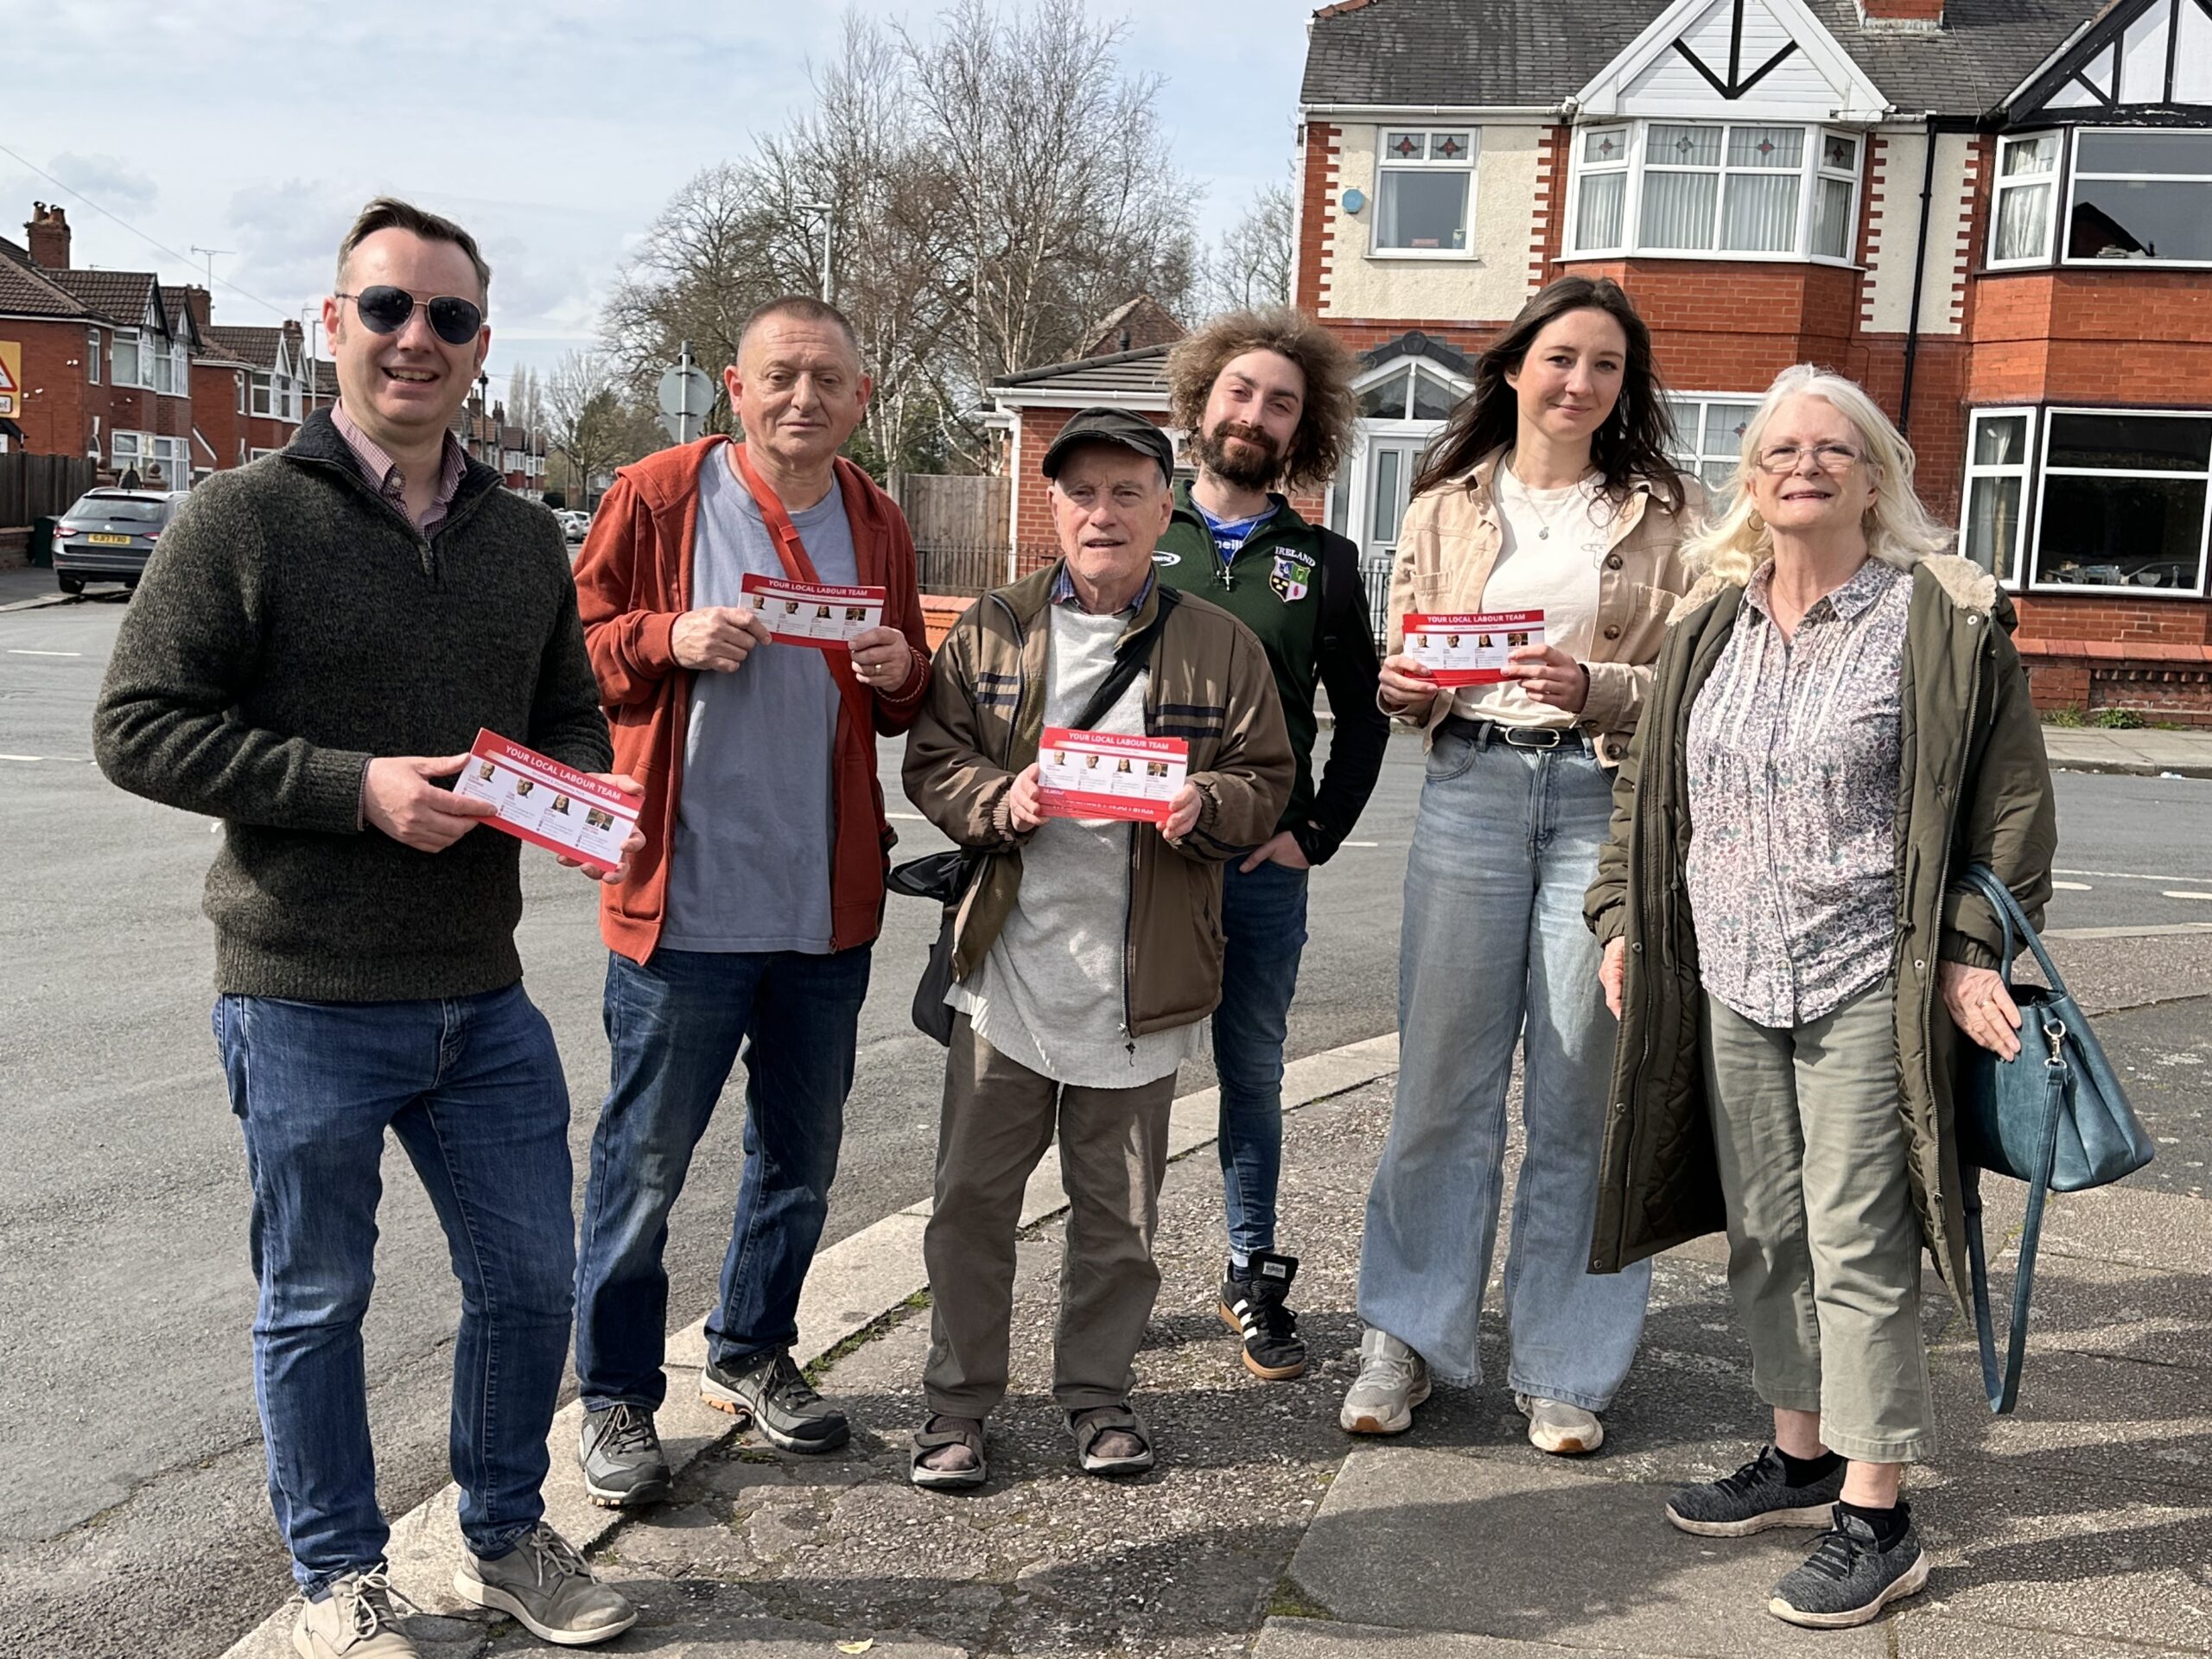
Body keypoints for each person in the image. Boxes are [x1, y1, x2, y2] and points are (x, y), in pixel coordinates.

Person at [92, 197, 637, 1656]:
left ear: (479, 348)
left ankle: (505, 1532)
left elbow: (567, 712)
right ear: (332, 324)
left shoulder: (527, 540)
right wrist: (356, 790)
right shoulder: (237, 518)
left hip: (481, 994)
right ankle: (339, 1572)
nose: (417, 340)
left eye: (448, 319)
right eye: (387, 309)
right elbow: (138, 728)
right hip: (302, 992)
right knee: (317, 1300)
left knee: (530, 1277)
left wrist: (581, 792)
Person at [1586, 365, 2056, 1629]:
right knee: (1767, 1232)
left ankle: (1878, 1514)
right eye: (1779, 446)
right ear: (1751, 480)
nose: (1803, 464)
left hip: (1866, 971)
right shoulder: (1709, 625)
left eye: (1833, 449)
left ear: (1877, 478)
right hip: (1729, 971)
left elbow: (2008, 802)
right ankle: (1799, 1457)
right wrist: (1624, 917)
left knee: (1858, 1240)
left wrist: (1967, 950)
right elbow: (1647, 792)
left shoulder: (1936, 621)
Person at [569, 296, 931, 1507]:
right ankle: (617, 1393)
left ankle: (752, 1347)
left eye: (828, 378)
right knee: (644, 1160)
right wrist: (667, 635)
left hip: (823, 903)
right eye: (781, 375)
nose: (803, 398)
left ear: (860, 398)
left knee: (802, 1155)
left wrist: (902, 672)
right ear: (735, 386)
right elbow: (567, 646)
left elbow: (899, 697)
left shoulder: (878, 520)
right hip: (683, 902)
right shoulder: (663, 494)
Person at [902, 406, 1293, 1487]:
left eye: (1127, 492)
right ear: (1054, 508)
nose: (1102, 513)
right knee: (970, 1209)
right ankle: (957, 1406)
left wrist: (1206, 801)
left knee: (1118, 1220)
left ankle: (1097, 1396)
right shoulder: (992, 627)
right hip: (1007, 973)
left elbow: (1267, 782)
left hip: (1141, 985)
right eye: (1081, 492)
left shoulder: (1220, 644)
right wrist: (998, 794)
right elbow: (933, 759)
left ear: (1164, 510)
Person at [1344, 276, 1700, 1454]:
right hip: (1470, 790)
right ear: (1512, 369)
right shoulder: (1446, 501)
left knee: (1580, 1095)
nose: (1580, 382)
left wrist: (1597, 686)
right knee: (1441, 1084)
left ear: (1623, 388)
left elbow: (1701, 684)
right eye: (1561, 358)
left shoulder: (1668, 512)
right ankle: (1406, 1337)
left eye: (1605, 365)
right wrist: (1399, 687)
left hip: (1602, 803)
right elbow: (1407, 656)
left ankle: (1566, 1365)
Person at [1153, 307, 1385, 1382]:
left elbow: (1365, 715)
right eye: (1239, 393)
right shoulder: (1138, 528)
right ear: (1201, 402)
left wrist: (1313, 834)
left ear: (1306, 431)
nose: (1255, 415)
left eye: (1280, 403)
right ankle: (1121, 1273)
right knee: (1131, 1075)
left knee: (1249, 1069)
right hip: (1138, 861)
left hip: (1258, 870)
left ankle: (1251, 1268)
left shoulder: (1326, 562)